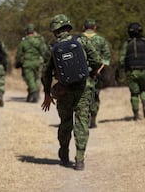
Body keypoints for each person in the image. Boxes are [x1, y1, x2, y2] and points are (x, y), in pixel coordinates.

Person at [41, 14, 101, 171]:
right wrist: (91, 72)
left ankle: (64, 155)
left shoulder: (52, 48)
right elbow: (96, 60)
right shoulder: (81, 41)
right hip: (83, 89)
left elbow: (45, 73)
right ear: (69, 27)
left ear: (55, 31)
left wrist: (47, 93)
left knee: (65, 122)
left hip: (64, 91)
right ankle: (80, 159)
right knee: (81, 123)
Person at [118, 22, 145, 120]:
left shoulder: (126, 44)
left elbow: (121, 60)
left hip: (132, 72)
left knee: (134, 94)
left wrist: (121, 70)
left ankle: (136, 114)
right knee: (144, 90)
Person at [81, 19, 111, 128]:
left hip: (81, 74)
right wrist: (99, 69)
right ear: (94, 28)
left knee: (81, 96)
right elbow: (106, 57)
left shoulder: (78, 39)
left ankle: (84, 119)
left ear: (83, 27)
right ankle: (93, 118)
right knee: (95, 95)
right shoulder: (101, 40)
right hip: (95, 74)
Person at [15, 23, 48, 103]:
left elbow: (19, 54)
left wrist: (18, 62)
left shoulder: (24, 41)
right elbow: (44, 51)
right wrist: (46, 61)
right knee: (37, 79)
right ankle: (34, 94)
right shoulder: (39, 40)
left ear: (26, 31)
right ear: (34, 31)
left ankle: (34, 94)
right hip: (37, 62)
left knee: (30, 80)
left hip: (27, 63)